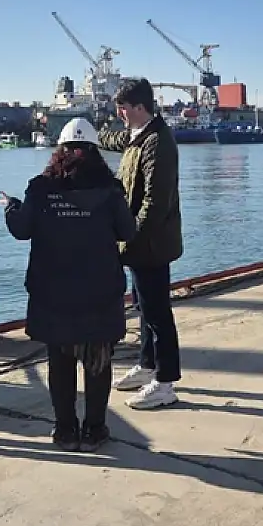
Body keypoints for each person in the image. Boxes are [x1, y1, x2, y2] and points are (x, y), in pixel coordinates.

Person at [2, 118, 136, 451]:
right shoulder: (111, 190)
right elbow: (128, 231)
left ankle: (64, 430)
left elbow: (21, 229)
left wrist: (12, 208)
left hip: (53, 293)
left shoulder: (40, 188)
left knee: (60, 362)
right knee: (98, 360)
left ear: (59, 150)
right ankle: (95, 429)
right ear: (95, 152)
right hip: (99, 292)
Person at [98, 78, 184, 410]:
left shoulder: (158, 143)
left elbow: (154, 202)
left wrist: (131, 235)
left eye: (122, 108)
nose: (119, 114)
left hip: (151, 244)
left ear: (138, 107)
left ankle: (165, 382)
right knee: (144, 308)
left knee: (157, 312)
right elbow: (114, 139)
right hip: (138, 244)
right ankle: (147, 364)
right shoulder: (138, 135)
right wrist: (90, 136)